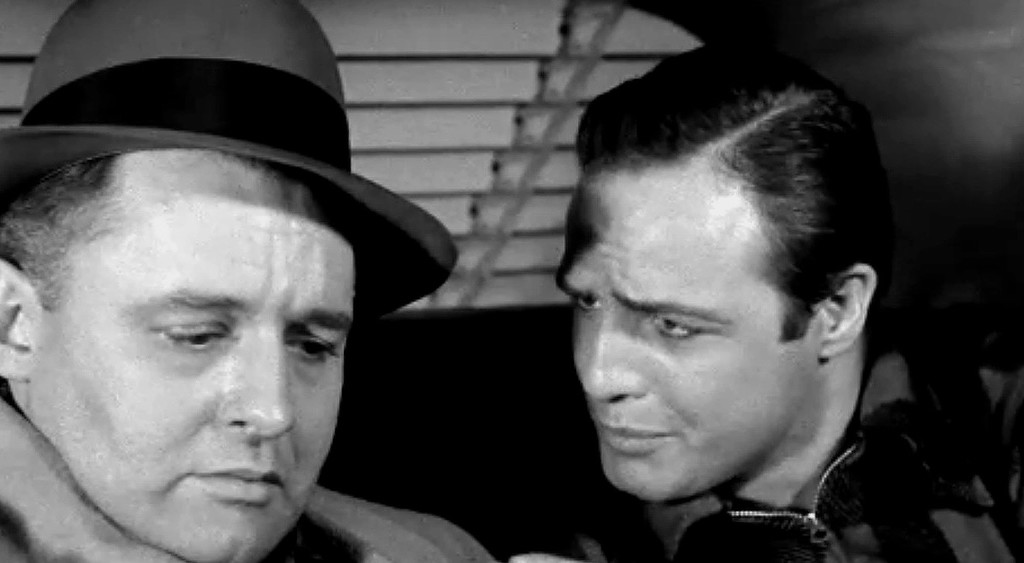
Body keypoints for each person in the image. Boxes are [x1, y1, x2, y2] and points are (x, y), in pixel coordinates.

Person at [0, 0, 494, 562]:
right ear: (13, 326)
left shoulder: (437, 552)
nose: (273, 412)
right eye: (196, 335)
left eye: (313, 345)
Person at [514, 46, 1023, 562]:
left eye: (672, 325)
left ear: (837, 309)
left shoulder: (990, 404)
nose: (599, 375)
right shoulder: (543, 502)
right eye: (588, 301)